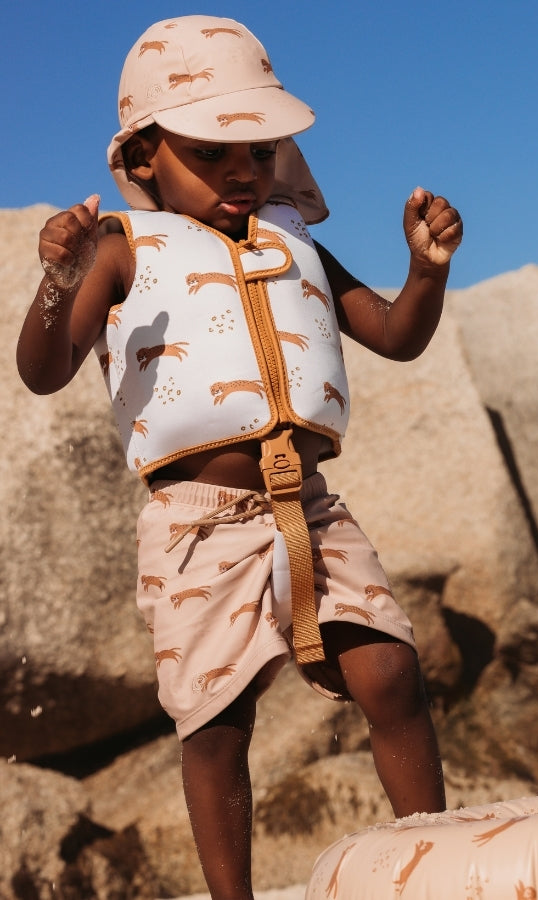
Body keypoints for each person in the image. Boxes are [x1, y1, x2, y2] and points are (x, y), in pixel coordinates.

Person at [17, 15, 462, 900]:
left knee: (392, 670)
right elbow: (43, 370)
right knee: (216, 718)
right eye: (211, 153)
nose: (242, 173)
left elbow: (392, 334)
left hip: (314, 504)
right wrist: (59, 276)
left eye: (258, 153)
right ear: (144, 156)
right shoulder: (120, 249)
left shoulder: (293, 238)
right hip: (198, 525)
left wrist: (426, 270)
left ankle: (437, 859)